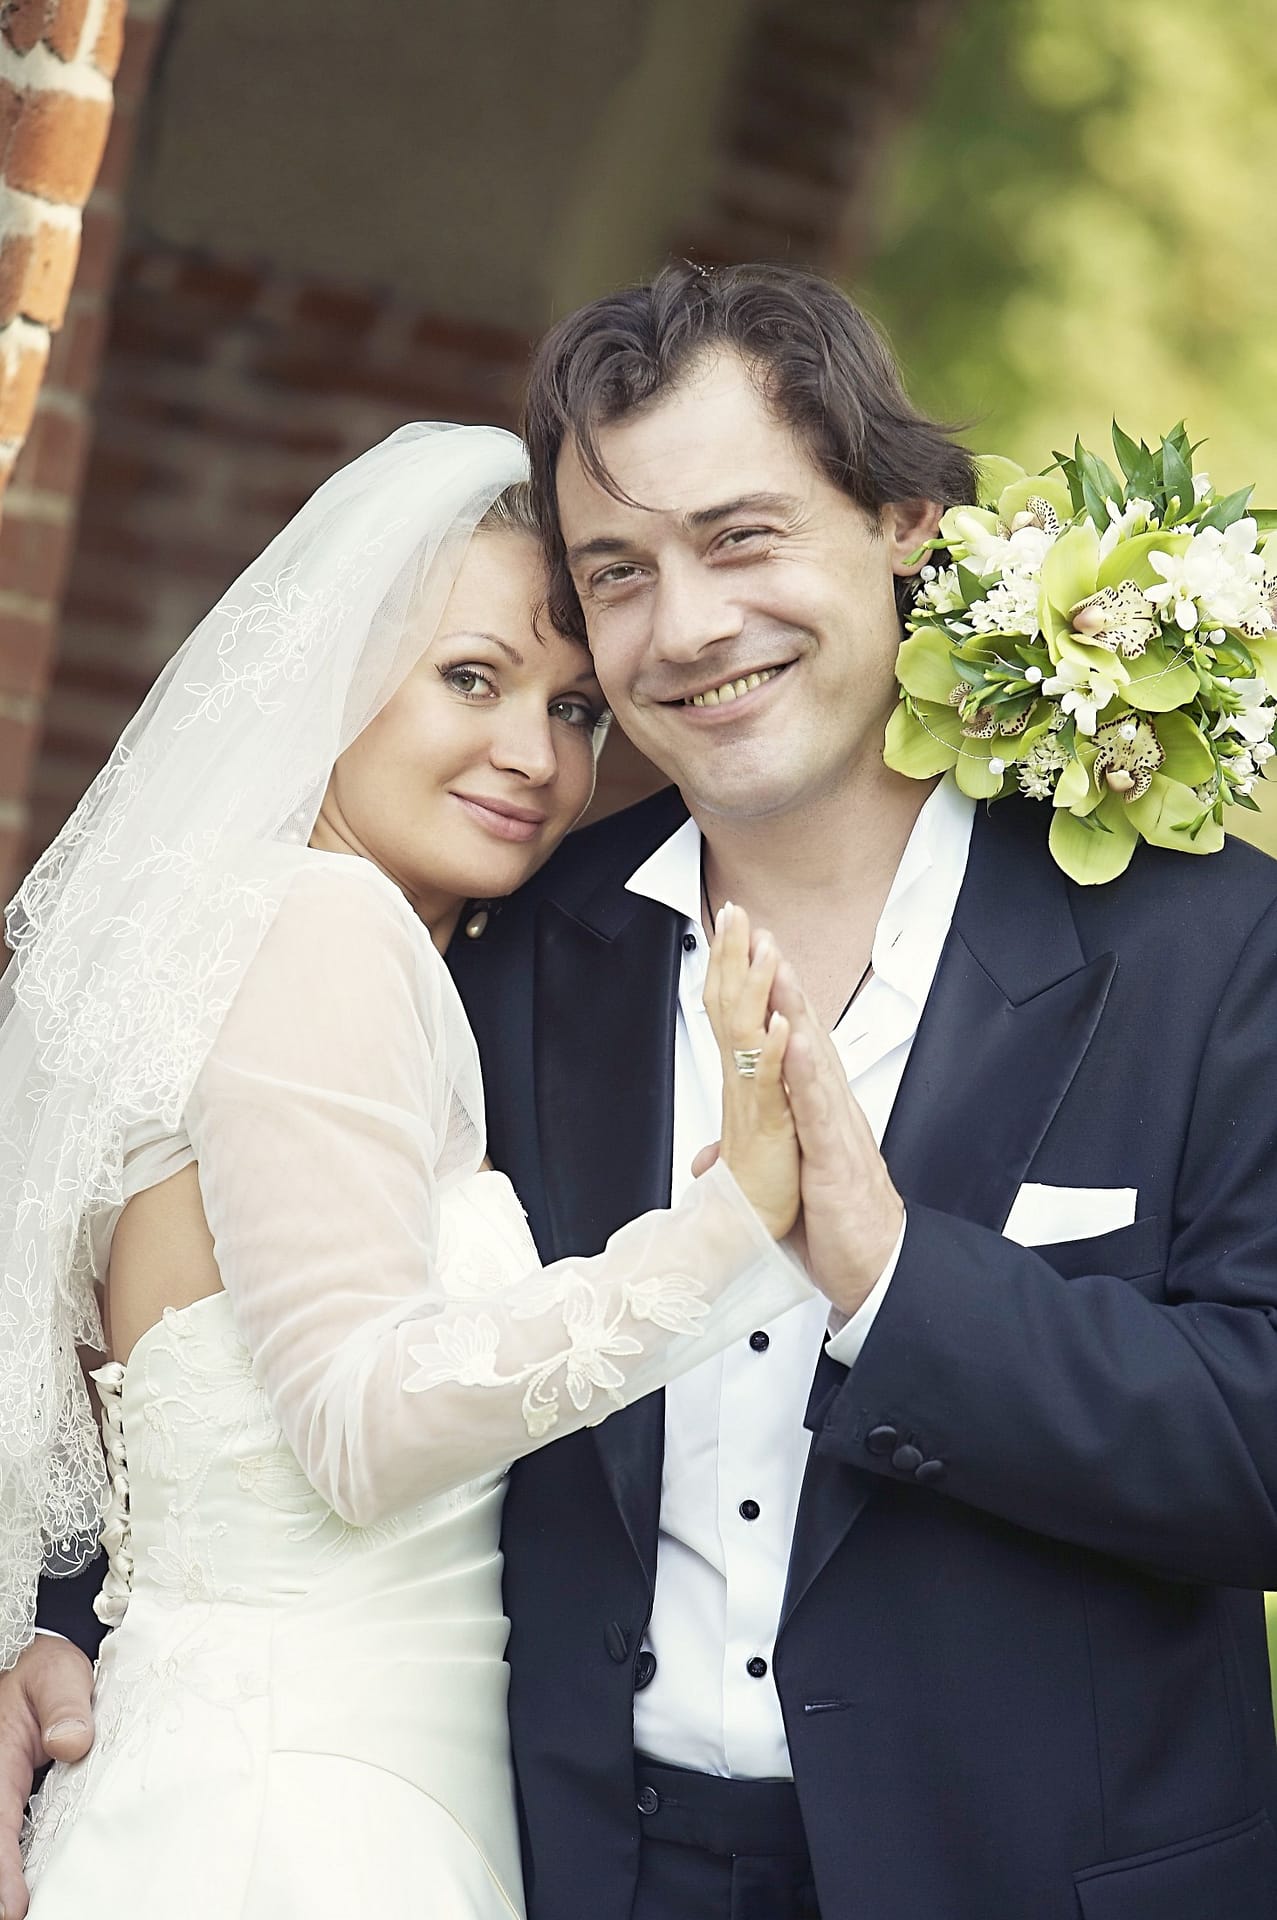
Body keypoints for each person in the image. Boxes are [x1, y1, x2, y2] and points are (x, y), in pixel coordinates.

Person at [8, 268, 1277, 1920]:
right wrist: (47, 1634)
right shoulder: (498, 953)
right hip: (571, 1872)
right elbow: (206, 1329)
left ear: (905, 523)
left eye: (741, 538)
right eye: (618, 572)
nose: (683, 629)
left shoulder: (1199, 942)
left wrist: (893, 1277)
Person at [0, 421, 869, 1919]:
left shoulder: (278, 942)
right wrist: (736, 1217)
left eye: (575, 709)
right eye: (471, 677)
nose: (536, 757)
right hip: (301, 1818)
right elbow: (358, 1426)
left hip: (287, 1769)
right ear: (333, 674)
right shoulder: (319, 929)